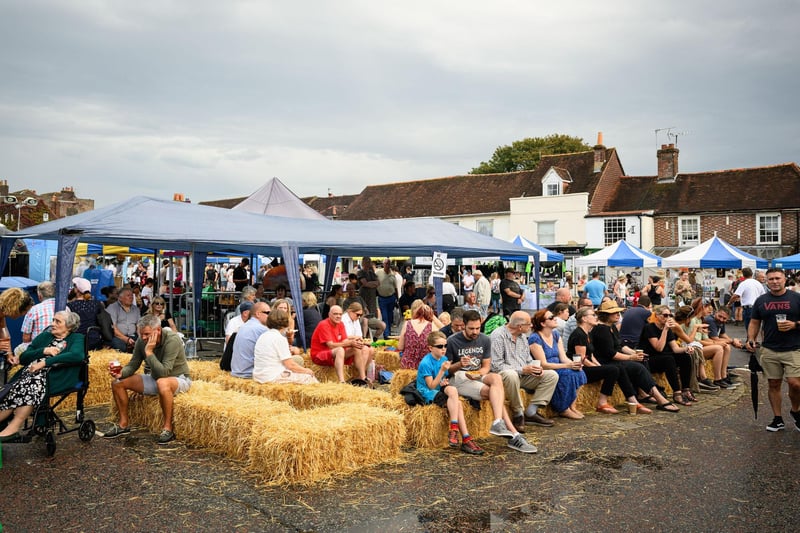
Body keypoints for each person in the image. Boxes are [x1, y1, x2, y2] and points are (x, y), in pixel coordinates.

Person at [104, 314, 192, 444]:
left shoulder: (172, 340)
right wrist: (121, 373)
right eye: (141, 334)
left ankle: (168, 428)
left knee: (162, 382)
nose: (144, 338)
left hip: (178, 378)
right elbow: (133, 364)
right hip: (156, 378)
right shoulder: (141, 340)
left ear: (158, 330)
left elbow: (164, 372)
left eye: (146, 334)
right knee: (117, 383)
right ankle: (123, 425)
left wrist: (149, 352)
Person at [0, 311, 84, 441]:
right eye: (53, 320)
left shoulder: (77, 338)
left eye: (58, 321)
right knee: (15, 388)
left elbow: (77, 355)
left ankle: (13, 428)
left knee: (31, 385)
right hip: (30, 375)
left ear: (69, 326)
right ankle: (8, 427)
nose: (53, 324)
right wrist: (44, 350)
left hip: (56, 377)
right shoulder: (45, 336)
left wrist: (45, 362)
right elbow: (24, 358)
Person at [591, 301, 678, 412]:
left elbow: (621, 346)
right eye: (615, 312)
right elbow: (611, 354)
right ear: (606, 315)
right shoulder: (601, 329)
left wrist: (634, 353)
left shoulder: (611, 327)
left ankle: (643, 393)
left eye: (619, 312)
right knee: (637, 367)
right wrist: (631, 357)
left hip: (614, 359)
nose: (618, 315)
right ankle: (659, 398)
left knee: (642, 360)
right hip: (606, 362)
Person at [745, 268, 800, 432]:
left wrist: (794, 324)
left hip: (794, 348)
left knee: (795, 384)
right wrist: (751, 339)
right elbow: (754, 322)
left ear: (784, 279)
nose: (774, 282)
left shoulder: (796, 298)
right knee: (773, 383)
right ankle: (777, 419)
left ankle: (796, 410)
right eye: (771, 279)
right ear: (766, 281)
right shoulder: (761, 300)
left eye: (777, 278)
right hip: (770, 349)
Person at [415, 331, 484, 455]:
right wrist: (442, 371)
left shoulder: (444, 359)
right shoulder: (425, 363)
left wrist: (444, 380)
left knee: (453, 389)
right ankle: (465, 438)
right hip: (427, 392)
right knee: (457, 404)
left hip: (438, 387)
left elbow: (442, 380)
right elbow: (431, 386)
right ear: (430, 348)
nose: (444, 349)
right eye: (440, 346)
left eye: (445, 346)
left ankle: (454, 428)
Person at [490, 311, 558, 430]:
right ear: (520, 326)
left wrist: (536, 367)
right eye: (529, 324)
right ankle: (518, 413)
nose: (531, 326)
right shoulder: (498, 336)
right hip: (505, 378)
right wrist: (521, 370)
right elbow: (496, 365)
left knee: (551, 375)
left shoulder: (522, 337)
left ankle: (531, 412)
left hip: (523, 375)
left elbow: (528, 359)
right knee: (511, 374)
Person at [567, 307, 635, 414]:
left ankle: (632, 399)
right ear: (584, 319)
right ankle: (602, 402)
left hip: (586, 366)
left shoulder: (587, 333)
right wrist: (597, 368)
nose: (596, 317)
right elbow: (582, 359)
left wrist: (599, 366)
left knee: (618, 367)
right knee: (613, 370)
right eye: (593, 315)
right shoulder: (579, 334)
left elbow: (591, 355)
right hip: (579, 369)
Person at [528, 309, 587, 420]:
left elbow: (563, 357)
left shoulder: (555, 334)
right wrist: (567, 366)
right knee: (567, 374)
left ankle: (571, 406)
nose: (555, 318)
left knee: (579, 372)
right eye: (551, 318)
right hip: (547, 369)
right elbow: (544, 364)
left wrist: (574, 364)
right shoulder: (535, 338)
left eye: (554, 316)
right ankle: (563, 408)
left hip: (559, 366)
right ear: (542, 323)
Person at [638, 304, 696, 408]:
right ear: (657, 315)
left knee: (685, 357)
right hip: (650, 359)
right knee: (668, 359)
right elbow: (658, 348)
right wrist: (665, 330)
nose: (668, 318)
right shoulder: (649, 328)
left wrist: (686, 349)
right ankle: (677, 393)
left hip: (663, 357)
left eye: (670, 315)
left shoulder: (668, 330)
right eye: (665, 315)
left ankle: (686, 389)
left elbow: (675, 348)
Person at [253, 309, 318, 384]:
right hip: (272, 377)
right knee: (309, 378)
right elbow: (290, 365)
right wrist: (307, 370)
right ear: (286, 323)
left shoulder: (263, 336)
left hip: (259, 376)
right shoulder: (279, 339)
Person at [311, 305, 373, 384]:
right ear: (329, 314)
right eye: (335, 314)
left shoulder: (340, 324)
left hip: (335, 352)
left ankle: (362, 378)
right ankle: (342, 381)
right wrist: (351, 343)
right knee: (340, 350)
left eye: (340, 314)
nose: (338, 316)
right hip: (320, 354)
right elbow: (331, 345)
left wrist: (356, 343)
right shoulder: (324, 324)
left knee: (358, 348)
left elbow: (345, 341)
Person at [230, 301, 271, 378]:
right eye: (268, 313)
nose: (269, 316)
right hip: (250, 373)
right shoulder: (261, 329)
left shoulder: (243, 326)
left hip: (237, 371)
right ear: (258, 314)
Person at [19, 281, 56, 354]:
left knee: (17, 350)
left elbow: (26, 338)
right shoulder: (66, 307)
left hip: (38, 349)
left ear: (39, 296)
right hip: (60, 347)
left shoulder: (34, 310)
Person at [399, 303, 437, 369]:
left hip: (407, 365)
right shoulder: (432, 327)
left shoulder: (407, 324)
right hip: (426, 365)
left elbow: (400, 347)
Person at [729, 267, 766, 332]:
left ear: (743, 275)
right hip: (758, 307)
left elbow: (735, 295)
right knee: (756, 325)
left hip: (749, 308)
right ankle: (754, 340)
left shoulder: (744, 283)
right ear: (752, 274)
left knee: (749, 326)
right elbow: (763, 296)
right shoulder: (758, 283)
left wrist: (729, 303)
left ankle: (750, 340)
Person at [107, 287, 141, 352]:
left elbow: (139, 326)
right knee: (120, 346)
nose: (131, 297)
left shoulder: (136, 309)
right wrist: (126, 339)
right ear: (120, 298)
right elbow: (113, 328)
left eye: (132, 295)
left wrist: (140, 338)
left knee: (142, 345)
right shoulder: (113, 308)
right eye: (128, 295)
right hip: (118, 337)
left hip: (133, 335)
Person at [376, 259, 398, 339]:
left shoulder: (392, 274)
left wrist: (397, 298)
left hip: (391, 297)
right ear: (383, 264)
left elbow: (395, 287)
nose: (387, 265)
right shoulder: (378, 273)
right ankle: (386, 334)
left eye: (388, 264)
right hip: (382, 298)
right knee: (385, 316)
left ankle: (388, 331)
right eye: (385, 264)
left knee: (390, 316)